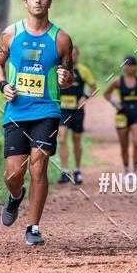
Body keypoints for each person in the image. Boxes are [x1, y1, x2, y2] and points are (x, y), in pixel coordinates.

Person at [0, 0, 73, 245]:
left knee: (39, 165)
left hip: (47, 109)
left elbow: (68, 75)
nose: (38, 1)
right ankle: (16, 196)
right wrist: (3, 85)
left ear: (50, 2)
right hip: (16, 111)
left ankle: (33, 227)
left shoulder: (61, 39)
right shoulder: (10, 34)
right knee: (14, 174)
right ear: (25, 2)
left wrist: (65, 78)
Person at [57, 46, 97, 185]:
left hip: (77, 110)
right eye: (70, 54)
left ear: (78, 56)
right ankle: (65, 171)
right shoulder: (60, 70)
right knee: (62, 138)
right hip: (63, 110)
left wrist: (85, 97)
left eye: (75, 54)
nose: (72, 57)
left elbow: (93, 87)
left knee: (76, 141)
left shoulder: (83, 70)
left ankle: (78, 170)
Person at [103, 57, 137, 177]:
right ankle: (127, 172)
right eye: (128, 64)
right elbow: (106, 93)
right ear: (124, 66)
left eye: (133, 64)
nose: (130, 67)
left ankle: (136, 170)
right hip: (122, 114)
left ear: (136, 66)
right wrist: (114, 103)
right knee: (124, 145)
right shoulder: (118, 81)